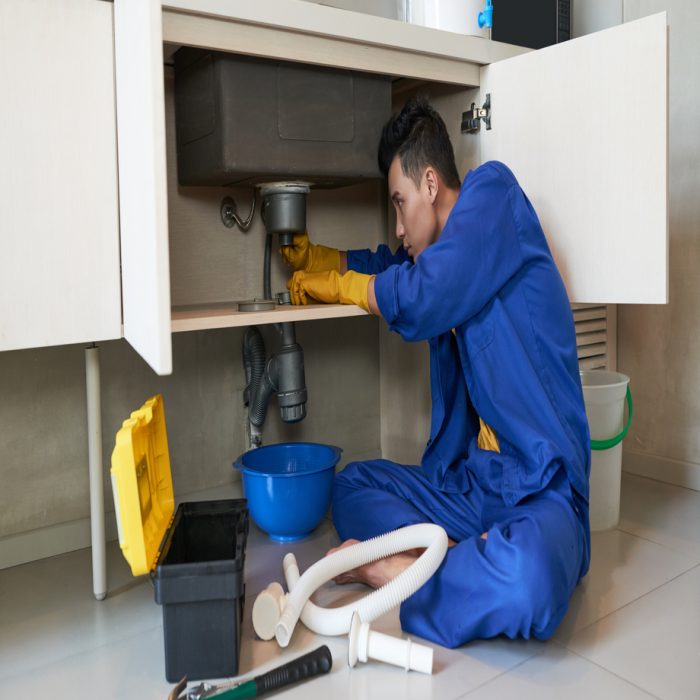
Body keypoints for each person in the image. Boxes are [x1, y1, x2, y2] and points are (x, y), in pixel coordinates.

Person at [282, 96, 591, 648]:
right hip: (471, 487)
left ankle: (393, 571)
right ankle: (458, 561)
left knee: (533, 580)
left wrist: (348, 288)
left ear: (430, 183)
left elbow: (423, 296)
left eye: (400, 204)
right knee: (352, 484)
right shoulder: (439, 252)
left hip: (541, 487)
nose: (398, 225)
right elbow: (389, 265)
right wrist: (323, 261)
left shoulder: (494, 196)